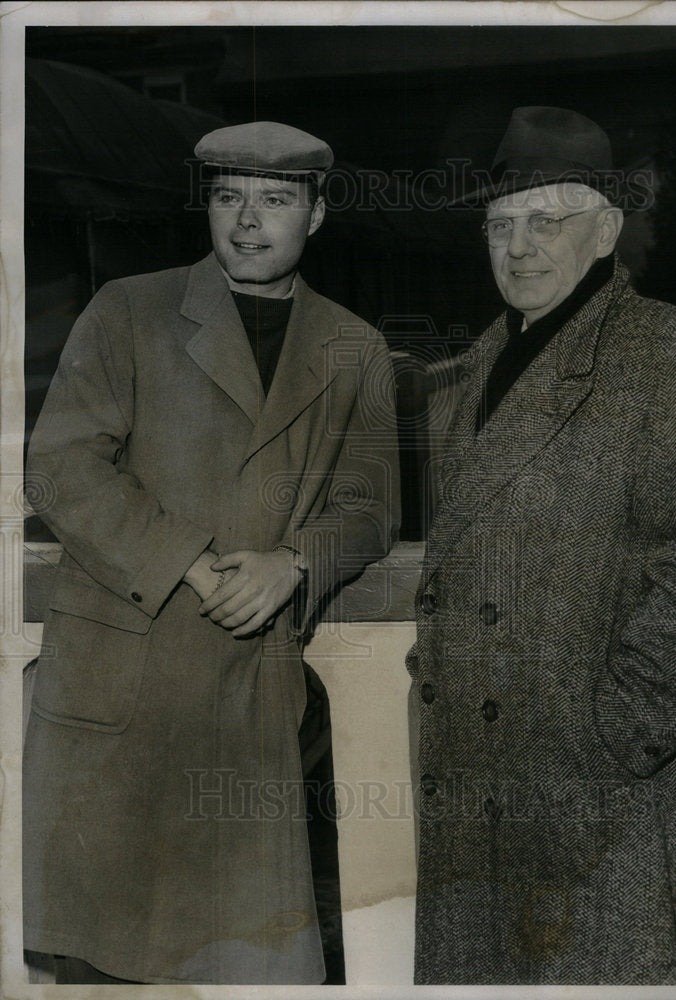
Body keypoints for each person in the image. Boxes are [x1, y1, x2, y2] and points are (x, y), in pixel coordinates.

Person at [24, 121, 399, 985]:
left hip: (246, 696)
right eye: (229, 198)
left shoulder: (355, 346)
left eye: (274, 201)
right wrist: (187, 559)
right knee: (99, 964)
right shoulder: (129, 308)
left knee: (244, 965)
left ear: (318, 213)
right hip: (120, 683)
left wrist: (294, 561)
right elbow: (60, 465)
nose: (247, 222)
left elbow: (370, 509)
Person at [408, 106, 676, 985]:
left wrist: (606, 741)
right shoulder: (471, 372)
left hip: (606, 801)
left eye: (547, 221)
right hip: (481, 790)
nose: (520, 246)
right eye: (501, 224)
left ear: (604, 232)